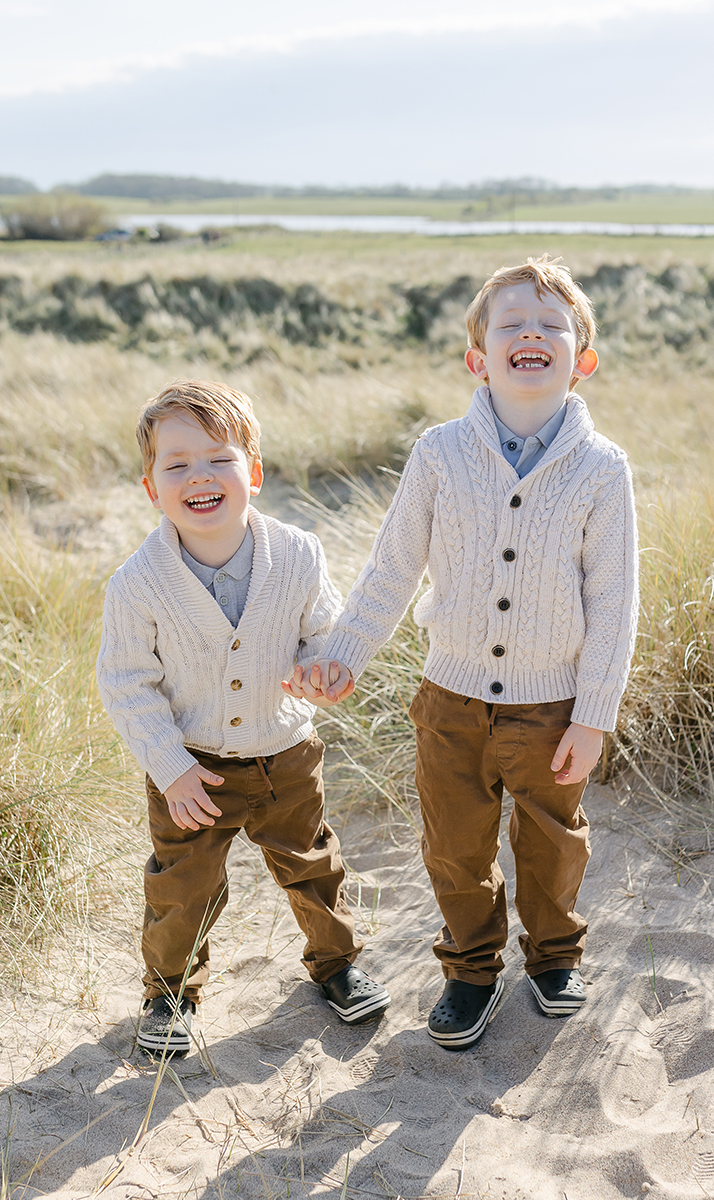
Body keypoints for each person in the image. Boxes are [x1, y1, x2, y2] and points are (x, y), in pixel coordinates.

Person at [283, 256, 638, 1050]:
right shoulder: (440, 453)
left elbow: (615, 603)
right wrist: (343, 651)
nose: (531, 335)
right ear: (479, 358)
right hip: (451, 701)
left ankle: (553, 958)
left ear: (581, 360)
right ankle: (472, 969)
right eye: (511, 324)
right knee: (455, 847)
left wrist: (594, 715)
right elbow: (392, 569)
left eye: (552, 326)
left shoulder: (601, 469)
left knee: (552, 843)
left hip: (552, 708)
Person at [96, 380, 389, 1056]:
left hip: (284, 749)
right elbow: (126, 684)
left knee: (313, 864)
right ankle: (169, 992)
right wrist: (171, 770)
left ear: (252, 474)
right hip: (191, 766)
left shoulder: (299, 554)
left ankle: (337, 965)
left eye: (217, 458)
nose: (198, 475)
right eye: (176, 465)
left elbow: (324, 636)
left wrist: (325, 669)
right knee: (183, 885)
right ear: (152, 489)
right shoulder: (137, 584)